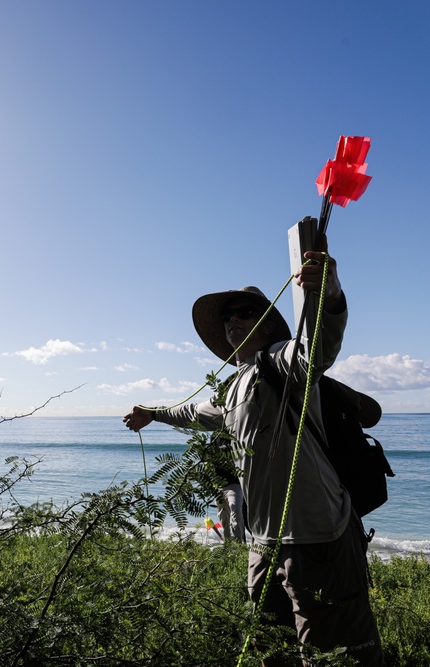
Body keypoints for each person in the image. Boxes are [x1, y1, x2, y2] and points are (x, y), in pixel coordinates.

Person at [123, 250, 383, 667]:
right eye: (228, 316)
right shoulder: (231, 388)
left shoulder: (283, 359)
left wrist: (330, 296)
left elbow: (317, 350)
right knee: (270, 649)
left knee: (333, 655)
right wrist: (152, 413)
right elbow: (191, 413)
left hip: (318, 538)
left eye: (244, 312)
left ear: (264, 324)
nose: (232, 321)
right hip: (263, 544)